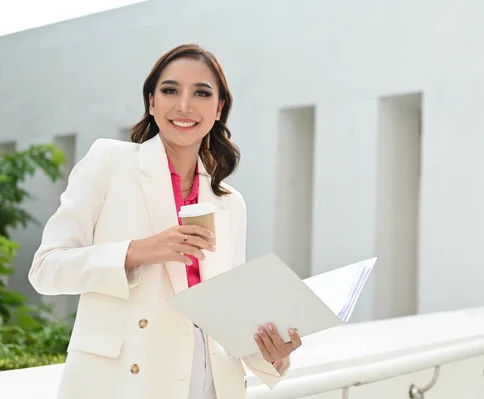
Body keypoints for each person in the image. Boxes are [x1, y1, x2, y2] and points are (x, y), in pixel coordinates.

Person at [28, 44, 302, 399]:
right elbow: (46, 270)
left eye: (202, 93)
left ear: (219, 109)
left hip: (210, 383)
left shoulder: (230, 202)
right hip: (123, 382)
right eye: (170, 90)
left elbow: (228, 313)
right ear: (152, 101)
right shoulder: (109, 163)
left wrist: (272, 355)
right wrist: (138, 251)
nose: (184, 106)